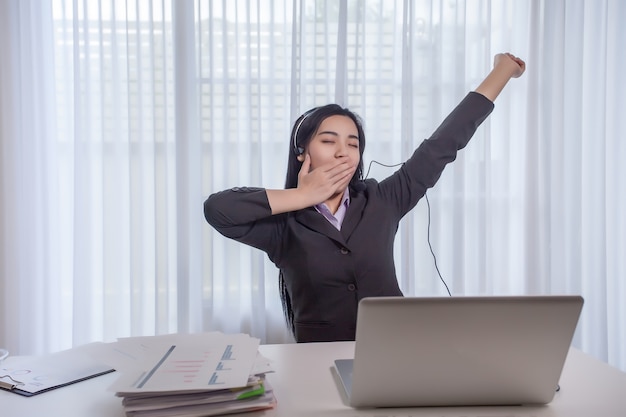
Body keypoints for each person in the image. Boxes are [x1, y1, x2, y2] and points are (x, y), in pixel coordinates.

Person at [204, 53, 526, 343]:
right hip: (319, 362)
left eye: (353, 144)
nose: (343, 152)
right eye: (329, 141)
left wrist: (502, 70)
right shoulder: (282, 226)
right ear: (303, 153)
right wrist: (301, 195)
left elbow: (444, 144)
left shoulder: (383, 199)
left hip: (398, 351)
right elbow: (218, 210)